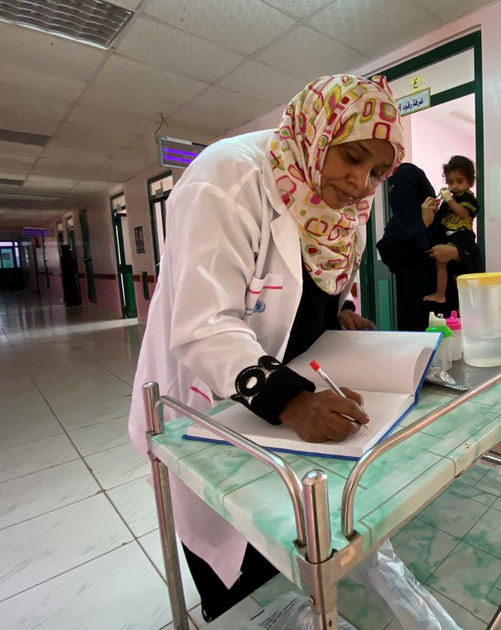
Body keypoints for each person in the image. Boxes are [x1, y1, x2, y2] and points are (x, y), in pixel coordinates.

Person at [126, 75, 405, 621]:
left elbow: (304, 287)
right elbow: (205, 325)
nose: (358, 182)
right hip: (211, 402)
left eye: (376, 171)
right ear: (317, 133)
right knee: (242, 566)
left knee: (298, 546)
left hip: (289, 402)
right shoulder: (227, 178)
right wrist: (293, 403)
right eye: (350, 157)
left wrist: (339, 315)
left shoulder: (343, 206)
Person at [376, 163, 482, 330]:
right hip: (412, 305)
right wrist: (422, 224)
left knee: (448, 350)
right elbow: (387, 251)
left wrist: (456, 253)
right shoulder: (397, 224)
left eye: (406, 191)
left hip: (446, 306)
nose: (401, 198)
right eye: (394, 190)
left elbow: (473, 252)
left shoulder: (442, 213)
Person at [424, 155, 479, 304]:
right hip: (452, 237)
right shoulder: (452, 198)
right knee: (454, 270)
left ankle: (444, 295)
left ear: (470, 182)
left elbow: (462, 213)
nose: (454, 185)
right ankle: (449, 297)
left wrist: (449, 199)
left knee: (448, 265)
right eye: (450, 182)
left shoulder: (468, 197)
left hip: (463, 235)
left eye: (459, 181)